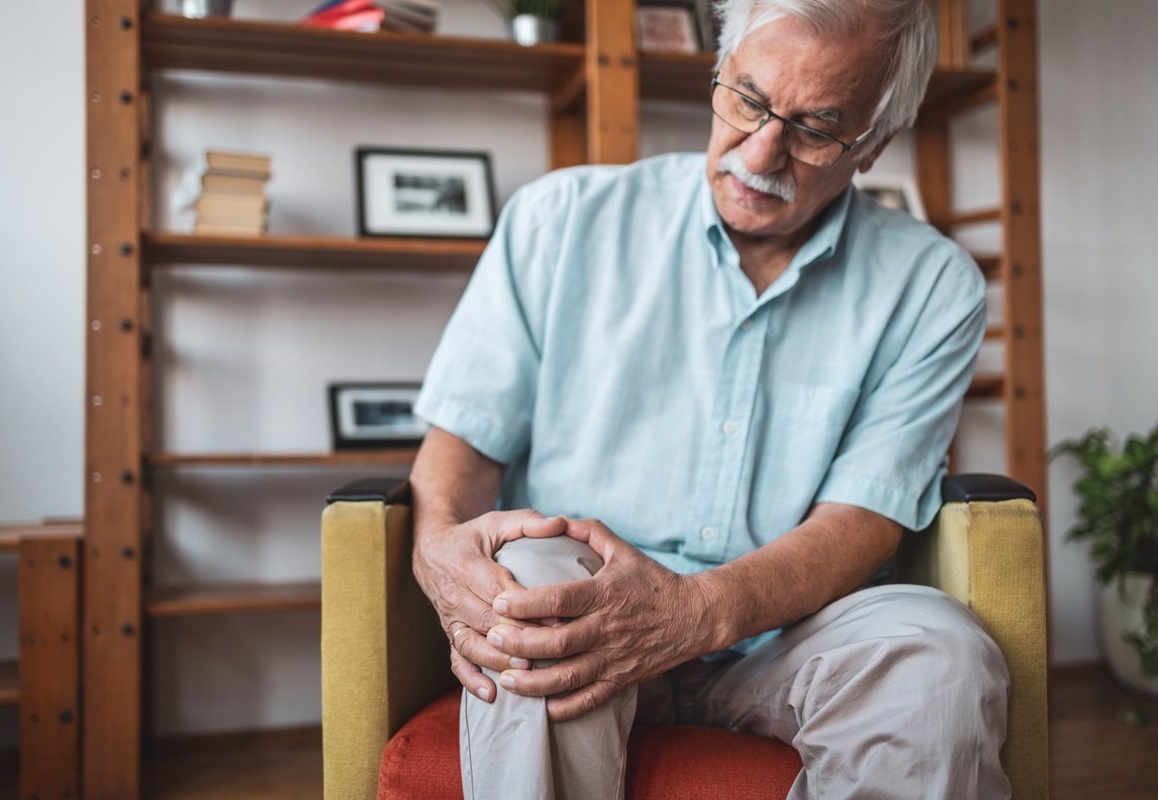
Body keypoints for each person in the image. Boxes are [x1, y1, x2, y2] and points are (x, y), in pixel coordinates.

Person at [409, 0, 1010, 798]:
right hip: (587, 601)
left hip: (791, 634)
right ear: (717, 74)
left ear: (874, 145)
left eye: (816, 128)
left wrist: (692, 613)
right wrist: (439, 547)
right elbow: (463, 448)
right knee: (535, 600)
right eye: (748, 100)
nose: (761, 152)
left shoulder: (934, 286)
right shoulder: (559, 221)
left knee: (941, 654)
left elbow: (861, 520)